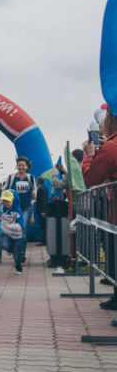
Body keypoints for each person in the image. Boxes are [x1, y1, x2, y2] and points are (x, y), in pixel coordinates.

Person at [82, 108, 117, 311]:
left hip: (114, 215)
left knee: (113, 253)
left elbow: (91, 178)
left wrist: (89, 155)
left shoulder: (111, 147)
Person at [3, 156, 36, 262]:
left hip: (26, 207)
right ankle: (12, 246)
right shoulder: (11, 177)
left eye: (23, 165)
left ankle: (21, 253)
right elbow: (4, 190)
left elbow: (34, 190)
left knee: (23, 230)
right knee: (11, 229)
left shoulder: (30, 177)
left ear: (27, 167)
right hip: (14, 208)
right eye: (19, 165)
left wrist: (34, 196)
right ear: (17, 166)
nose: (21, 167)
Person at [0, 189, 24, 274]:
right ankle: (10, 249)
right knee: (2, 245)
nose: (6, 203)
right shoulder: (3, 209)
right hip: (6, 233)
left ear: (13, 200)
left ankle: (19, 268)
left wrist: (11, 226)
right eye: (4, 201)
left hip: (17, 236)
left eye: (8, 201)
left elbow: (21, 225)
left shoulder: (17, 211)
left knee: (16, 256)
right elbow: (0, 217)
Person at [35, 177, 49, 246]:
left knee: (43, 226)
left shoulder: (40, 189)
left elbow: (43, 200)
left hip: (42, 211)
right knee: (44, 226)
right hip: (44, 210)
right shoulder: (45, 188)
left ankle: (45, 241)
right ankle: (45, 240)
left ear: (38, 182)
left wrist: (43, 211)